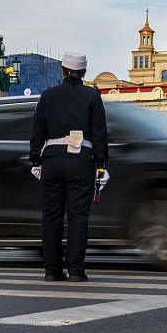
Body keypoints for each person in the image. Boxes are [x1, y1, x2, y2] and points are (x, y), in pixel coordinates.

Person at [30, 52, 109, 281]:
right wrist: (101, 164)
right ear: (84, 72)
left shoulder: (48, 96)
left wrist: (36, 159)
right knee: (78, 217)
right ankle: (76, 271)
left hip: (52, 159)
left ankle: (52, 271)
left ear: (62, 71)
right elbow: (99, 134)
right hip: (82, 160)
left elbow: (37, 131)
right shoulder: (92, 97)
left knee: (51, 216)